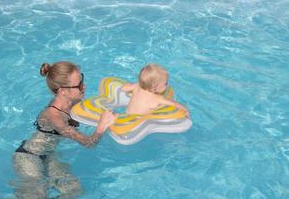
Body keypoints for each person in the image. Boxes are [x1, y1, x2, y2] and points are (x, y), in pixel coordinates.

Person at [12, 61, 116, 199]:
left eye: (82, 79)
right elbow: (88, 143)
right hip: (29, 156)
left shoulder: (74, 103)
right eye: (78, 85)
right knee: (38, 195)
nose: (83, 86)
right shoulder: (54, 115)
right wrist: (101, 128)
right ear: (62, 91)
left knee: (74, 190)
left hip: (50, 154)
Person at [121, 63, 189, 115]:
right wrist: (185, 110)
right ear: (154, 88)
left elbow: (123, 88)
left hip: (126, 114)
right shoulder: (157, 98)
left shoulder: (136, 86)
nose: (167, 84)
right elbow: (174, 104)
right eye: (165, 83)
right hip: (137, 122)